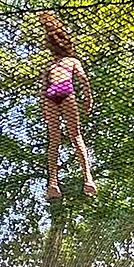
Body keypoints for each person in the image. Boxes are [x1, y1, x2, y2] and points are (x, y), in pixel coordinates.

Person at [39, 12, 95, 199]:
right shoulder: (72, 61)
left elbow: (43, 89)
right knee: (76, 136)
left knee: (54, 140)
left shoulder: (49, 66)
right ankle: (88, 179)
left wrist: (44, 109)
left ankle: (53, 183)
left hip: (50, 96)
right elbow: (83, 79)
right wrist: (88, 98)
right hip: (65, 91)